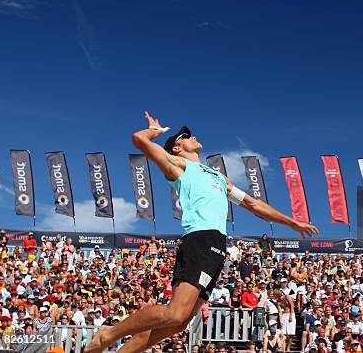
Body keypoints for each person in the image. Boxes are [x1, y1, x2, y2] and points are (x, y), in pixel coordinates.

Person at [85, 112, 318, 353]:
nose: (193, 136)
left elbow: (253, 204)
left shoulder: (218, 176)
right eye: (186, 136)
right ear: (177, 147)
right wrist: (154, 132)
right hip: (200, 238)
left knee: (179, 322)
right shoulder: (178, 166)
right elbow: (139, 140)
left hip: (216, 245)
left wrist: (290, 222)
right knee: (174, 312)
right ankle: (108, 333)